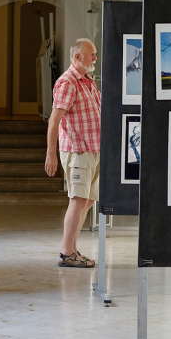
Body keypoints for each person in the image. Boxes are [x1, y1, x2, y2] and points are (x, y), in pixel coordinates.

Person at [45, 38, 100, 268]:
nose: (95, 58)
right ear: (77, 57)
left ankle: (73, 249)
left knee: (87, 200)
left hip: (94, 150)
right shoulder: (67, 82)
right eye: (91, 54)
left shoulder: (88, 81)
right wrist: (51, 153)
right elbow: (55, 120)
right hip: (78, 151)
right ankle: (67, 252)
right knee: (78, 200)